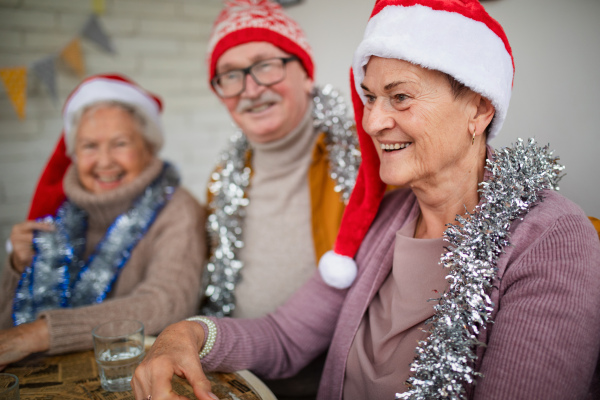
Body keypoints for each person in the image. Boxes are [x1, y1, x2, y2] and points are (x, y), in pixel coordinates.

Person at [131, 1, 600, 399]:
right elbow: (286, 335)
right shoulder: (386, 217)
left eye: (399, 97)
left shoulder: (551, 238)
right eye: (370, 97)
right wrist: (186, 334)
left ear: (479, 108)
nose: (373, 122)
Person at [196, 1, 360, 398]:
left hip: (329, 382)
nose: (251, 89)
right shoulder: (223, 180)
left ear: (305, 73)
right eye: (230, 76)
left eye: (265, 65)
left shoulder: (361, 163)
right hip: (238, 378)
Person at [0, 74, 206, 369]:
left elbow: (166, 303)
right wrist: (16, 268)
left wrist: (41, 333)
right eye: (89, 146)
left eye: (120, 143)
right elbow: (7, 331)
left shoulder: (178, 208)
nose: (105, 161)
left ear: (149, 148)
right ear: (73, 154)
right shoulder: (55, 215)